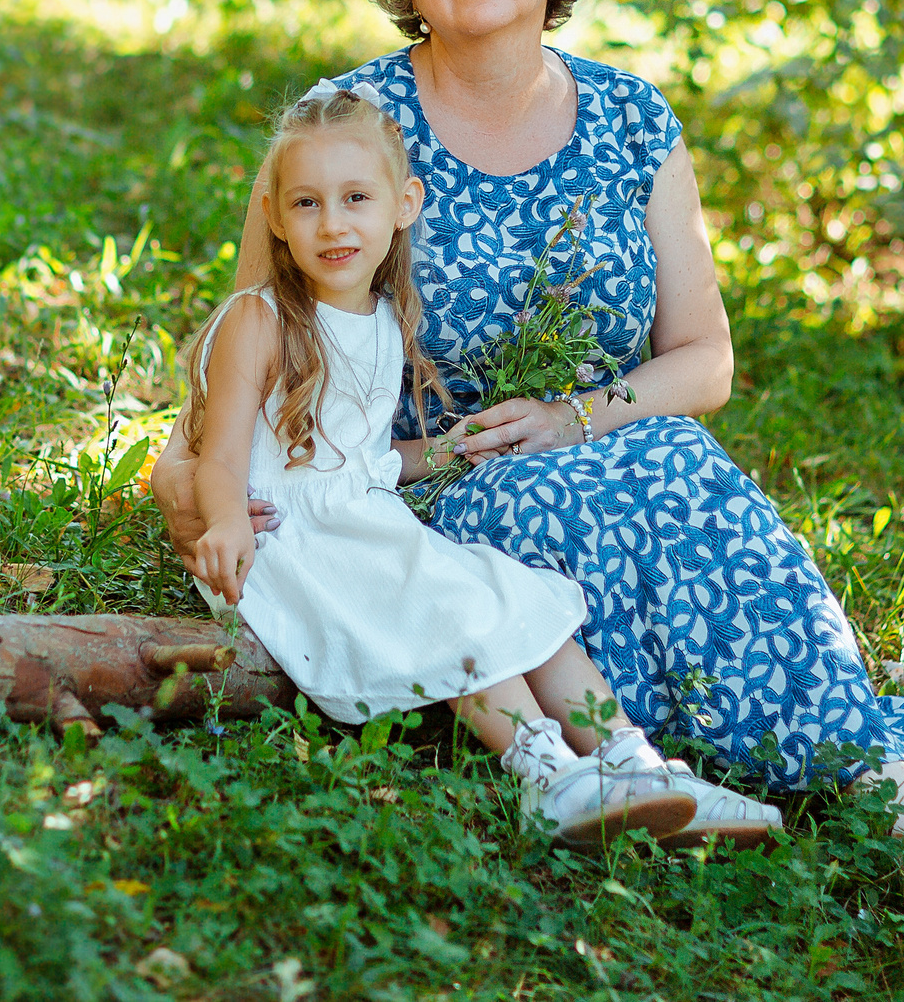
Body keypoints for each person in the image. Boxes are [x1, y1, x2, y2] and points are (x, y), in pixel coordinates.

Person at [156, 0, 904, 919]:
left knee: (687, 478)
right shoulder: (357, 130)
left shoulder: (629, 119)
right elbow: (256, 347)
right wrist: (205, 488)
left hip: (618, 442)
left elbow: (703, 363)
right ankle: (637, 766)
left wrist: (579, 414)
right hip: (435, 486)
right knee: (586, 507)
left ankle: (895, 811)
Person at [180, 86, 763, 850]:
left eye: (356, 197)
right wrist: (224, 520)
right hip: (290, 540)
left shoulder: (384, 318)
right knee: (449, 603)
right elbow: (220, 454)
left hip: (362, 515)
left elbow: (366, 461)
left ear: (404, 203)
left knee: (521, 598)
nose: (333, 223)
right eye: (307, 203)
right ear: (275, 215)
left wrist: (452, 447)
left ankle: (634, 761)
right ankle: (546, 772)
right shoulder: (262, 319)